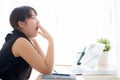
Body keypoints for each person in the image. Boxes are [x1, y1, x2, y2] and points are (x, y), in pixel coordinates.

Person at [0, 6, 54, 80]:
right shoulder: (20, 42)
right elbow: (47, 70)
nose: (38, 21)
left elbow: (45, 64)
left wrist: (35, 42)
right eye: (33, 18)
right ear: (21, 24)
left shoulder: (17, 38)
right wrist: (51, 41)